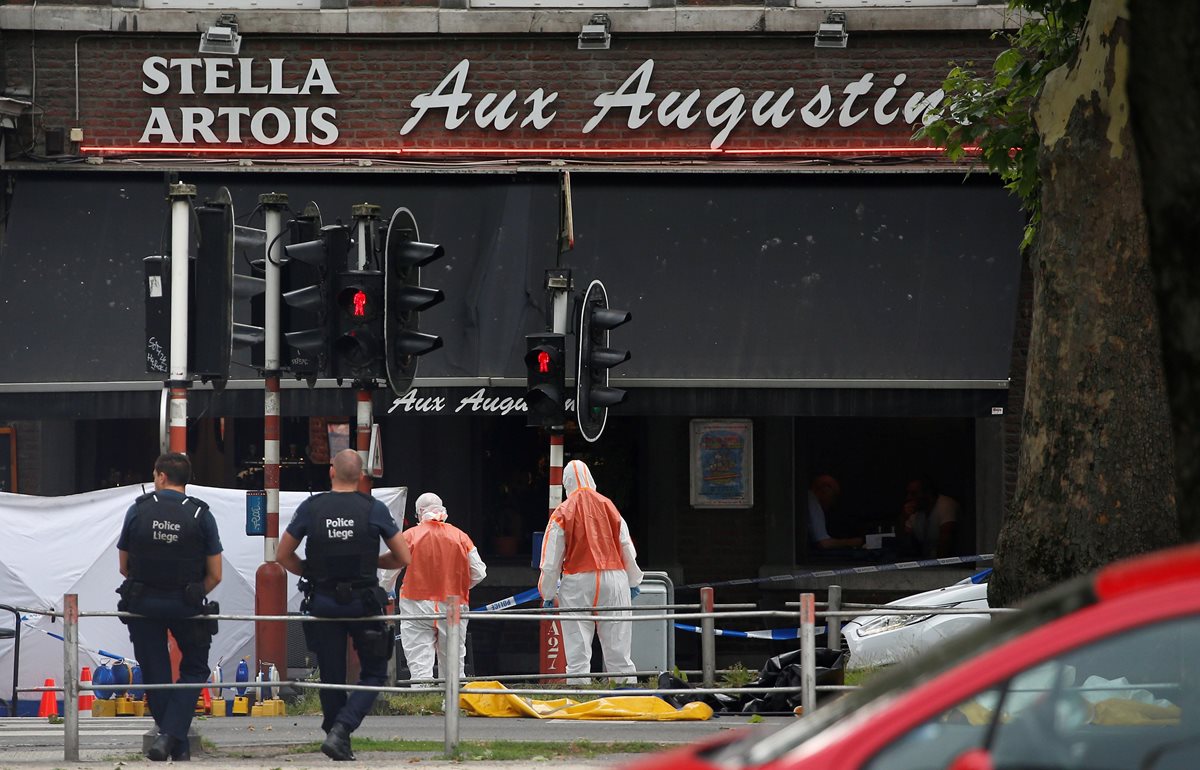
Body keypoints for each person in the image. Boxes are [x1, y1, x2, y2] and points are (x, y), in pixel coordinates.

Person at [276, 449, 410, 762]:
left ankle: (336, 735)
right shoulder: (373, 508)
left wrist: (311, 571)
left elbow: (283, 554)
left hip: (323, 601)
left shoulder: (312, 507)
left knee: (331, 676)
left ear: (332, 472)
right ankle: (341, 731)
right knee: (375, 671)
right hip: (364, 602)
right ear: (361, 475)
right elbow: (404, 557)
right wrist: (372, 561)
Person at [116, 452, 222, 762]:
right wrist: (193, 593)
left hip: (143, 603)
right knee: (197, 666)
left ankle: (170, 740)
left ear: (161, 476)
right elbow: (216, 574)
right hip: (185, 604)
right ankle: (174, 739)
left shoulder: (138, 510)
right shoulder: (201, 515)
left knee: (155, 672)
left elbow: (124, 567)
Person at [537, 459, 644, 684]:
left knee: (577, 650)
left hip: (577, 581)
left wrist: (547, 594)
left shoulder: (562, 512)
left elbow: (551, 561)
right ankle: (626, 697)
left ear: (567, 484)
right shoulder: (608, 505)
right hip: (614, 578)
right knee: (619, 649)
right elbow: (626, 547)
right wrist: (634, 581)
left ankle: (580, 696)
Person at [398, 492, 487, 686]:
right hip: (453, 606)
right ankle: (453, 704)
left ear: (419, 513)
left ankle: (423, 704)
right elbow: (480, 572)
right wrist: (460, 585)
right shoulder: (460, 536)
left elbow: (389, 571)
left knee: (419, 662)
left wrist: (384, 590)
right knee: (453, 662)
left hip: (416, 605)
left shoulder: (411, 535)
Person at [899, 475, 960, 558]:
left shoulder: (946, 505)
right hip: (925, 562)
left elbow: (946, 542)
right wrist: (903, 518)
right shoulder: (914, 511)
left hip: (951, 564)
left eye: (914, 494)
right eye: (908, 493)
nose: (908, 498)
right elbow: (902, 541)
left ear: (927, 493)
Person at [807, 474, 865, 550]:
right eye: (834, 495)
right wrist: (855, 542)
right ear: (825, 489)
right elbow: (823, 543)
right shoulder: (811, 500)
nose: (833, 502)